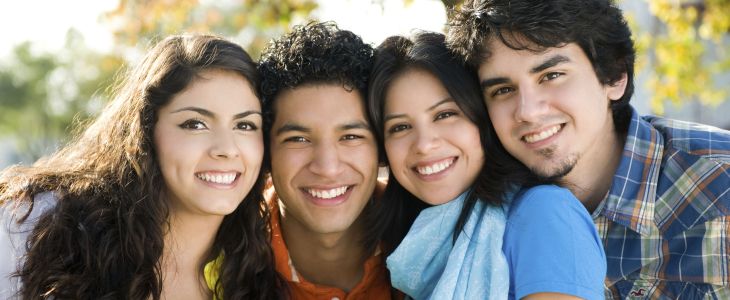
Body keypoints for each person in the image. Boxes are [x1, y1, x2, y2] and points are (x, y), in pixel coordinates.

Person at [448, 0, 730, 298]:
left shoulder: (721, 185)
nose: (527, 112)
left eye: (551, 75)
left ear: (614, 76)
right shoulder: (479, 212)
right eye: (503, 90)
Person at [0, 34, 285, 300]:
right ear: (146, 132)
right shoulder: (37, 225)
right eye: (195, 124)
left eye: (245, 125)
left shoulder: (258, 278)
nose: (226, 148)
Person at [368, 31, 605, 300]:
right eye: (400, 127)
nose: (423, 144)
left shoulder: (543, 213)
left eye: (445, 114)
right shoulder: (414, 244)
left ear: (482, 119)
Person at [257, 21, 397, 299]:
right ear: (265, 152)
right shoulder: (217, 258)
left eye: (350, 136)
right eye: (298, 139)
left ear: (380, 147)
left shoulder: (435, 241)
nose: (327, 167)